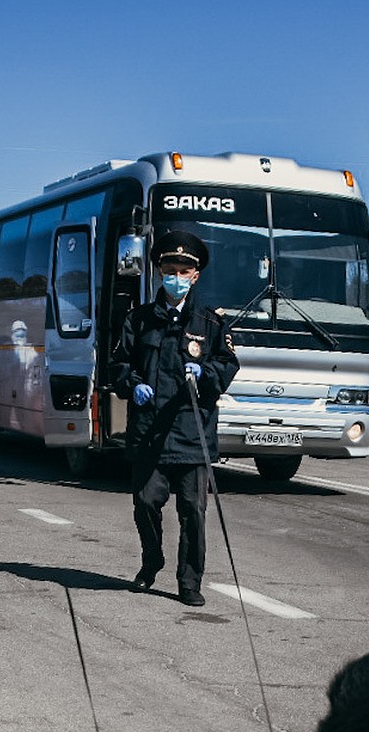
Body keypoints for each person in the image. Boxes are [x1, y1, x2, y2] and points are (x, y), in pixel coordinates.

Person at [110, 229, 238, 606]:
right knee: (146, 503)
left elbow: (227, 365)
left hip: (191, 432)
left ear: (195, 275)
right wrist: (132, 385)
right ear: (158, 271)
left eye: (184, 270)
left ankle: (189, 582)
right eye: (170, 268)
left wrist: (207, 374)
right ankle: (151, 562)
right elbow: (118, 365)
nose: (177, 276)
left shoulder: (211, 322)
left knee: (192, 513)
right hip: (150, 433)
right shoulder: (139, 320)